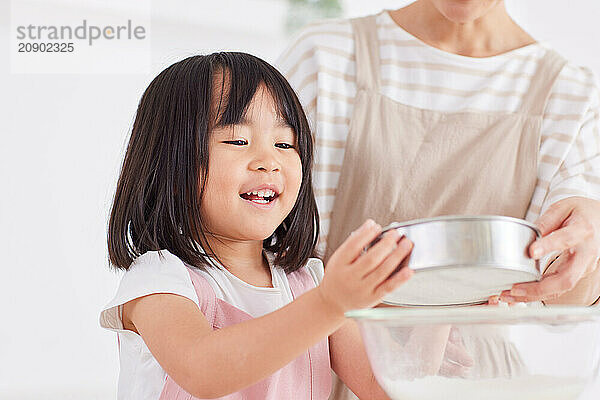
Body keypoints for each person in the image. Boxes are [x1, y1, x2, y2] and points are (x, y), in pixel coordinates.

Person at [277, 0, 600, 398]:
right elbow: (256, 253)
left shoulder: (570, 94)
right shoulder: (322, 56)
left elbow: (568, 302)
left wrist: (589, 241)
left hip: (477, 383)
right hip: (322, 372)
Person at [99, 52, 419, 399]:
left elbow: (384, 388)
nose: (270, 162)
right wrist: (329, 304)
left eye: (285, 144)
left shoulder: (308, 283)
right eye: (238, 141)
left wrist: (452, 308)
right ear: (172, 166)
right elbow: (202, 370)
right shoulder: (161, 279)